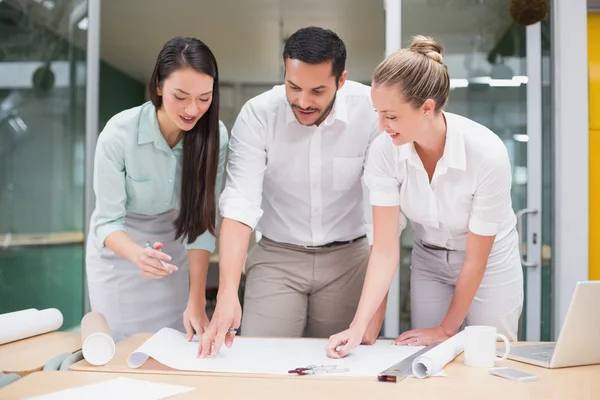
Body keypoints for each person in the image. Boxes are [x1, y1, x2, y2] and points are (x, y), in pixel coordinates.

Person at [198, 26, 395, 357]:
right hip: (277, 256)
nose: (303, 101)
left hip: (349, 260)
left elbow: (384, 218)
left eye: (318, 90)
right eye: (294, 87)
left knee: (344, 366)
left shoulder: (370, 113)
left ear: (341, 80)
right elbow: (240, 205)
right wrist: (228, 291)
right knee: (259, 360)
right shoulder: (258, 114)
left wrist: (376, 308)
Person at [326, 35, 524, 358]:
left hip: (489, 263)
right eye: (378, 113)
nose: (382, 126)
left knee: (487, 357)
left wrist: (447, 330)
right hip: (429, 259)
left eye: (391, 116)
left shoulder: (487, 155)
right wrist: (358, 325)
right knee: (424, 359)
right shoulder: (384, 152)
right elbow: (385, 251)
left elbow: (475, 261)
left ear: (426, 108)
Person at [85, 37, 229, 342]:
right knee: (120, 347)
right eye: (181, 96)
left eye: (204, 98)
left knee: (173, 342)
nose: (193, 109)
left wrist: (198, 298)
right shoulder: (118, 134)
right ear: (160, 86)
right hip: (120, 253)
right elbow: (107, 222)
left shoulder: (215, 136)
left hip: (170, 253)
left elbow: (202, 223)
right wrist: (138, 256)